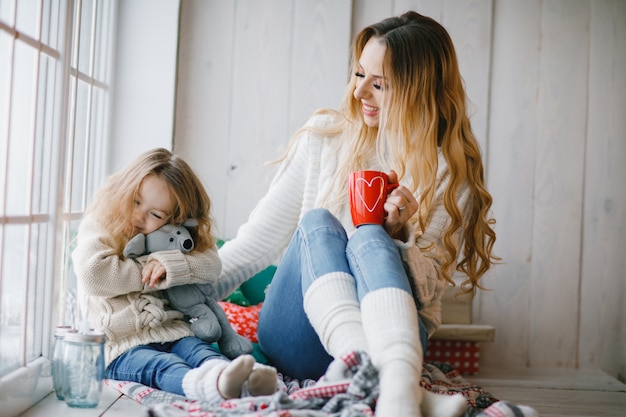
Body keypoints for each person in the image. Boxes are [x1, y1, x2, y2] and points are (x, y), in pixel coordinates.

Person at [215, 11, 498, 417]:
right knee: (318, 223)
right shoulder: (324, 138)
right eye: (358, 74)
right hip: (299, 331)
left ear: (419, 92)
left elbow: (430, 292)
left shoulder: (451, 174)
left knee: (371, 236)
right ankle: (399, 388)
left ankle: (381, 382)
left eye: (379, 84)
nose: (359, 92)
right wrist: (167, 287)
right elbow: (250, 248)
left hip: (394, 333)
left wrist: (399, 238)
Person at [71, 148, 278, 404]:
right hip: (121, 346)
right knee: (161, 365)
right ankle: (207, 386)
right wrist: (151, 272)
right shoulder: (99, 223)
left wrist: (171, 265)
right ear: (123, 189)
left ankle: (249, 381)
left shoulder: (175, 238)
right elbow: (94, 275)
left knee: (202, 353)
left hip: (176, 331)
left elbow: (212, 264)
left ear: (178, 220)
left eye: (155, 215)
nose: (139, 216)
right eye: (135, 201)